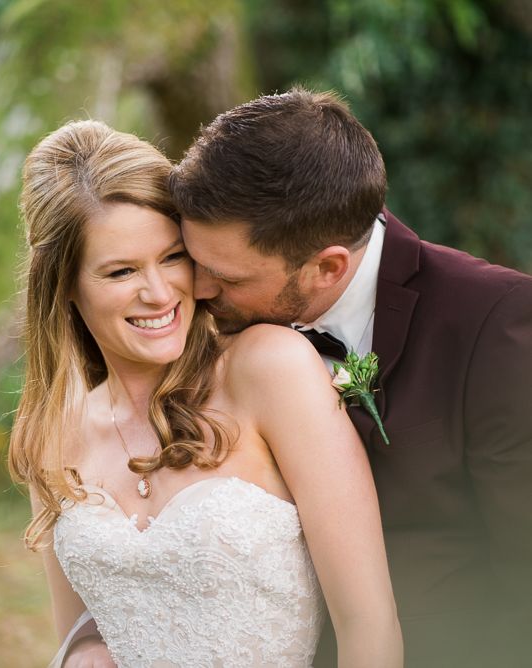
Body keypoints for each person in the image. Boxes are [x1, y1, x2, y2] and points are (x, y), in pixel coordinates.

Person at [9, 120, 402, 667]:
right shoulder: (53, 436)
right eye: (121, 270)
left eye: (172, 257)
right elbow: (80, 631)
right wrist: (83, 651)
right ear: (64, 286)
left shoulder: (269, 370)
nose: (159, 292)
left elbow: (369, 627)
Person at [165, 86, 532, 667]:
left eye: (225, 278)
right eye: (194, 264)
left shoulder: (491, 320)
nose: (199, 292)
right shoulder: (189, 328)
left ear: (328, 266)